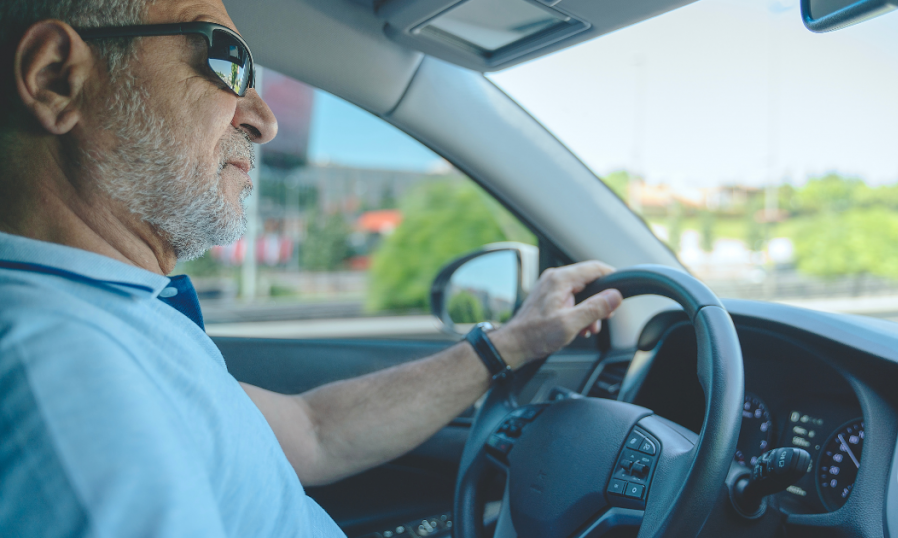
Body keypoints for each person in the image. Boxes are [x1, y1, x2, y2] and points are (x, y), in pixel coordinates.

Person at [0, 0, 625, 536]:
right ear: (56, 77)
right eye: (228, 61)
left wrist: (512, 343)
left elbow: (314, 432)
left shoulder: (113, 313)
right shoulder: (63, 368)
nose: (265, 120)